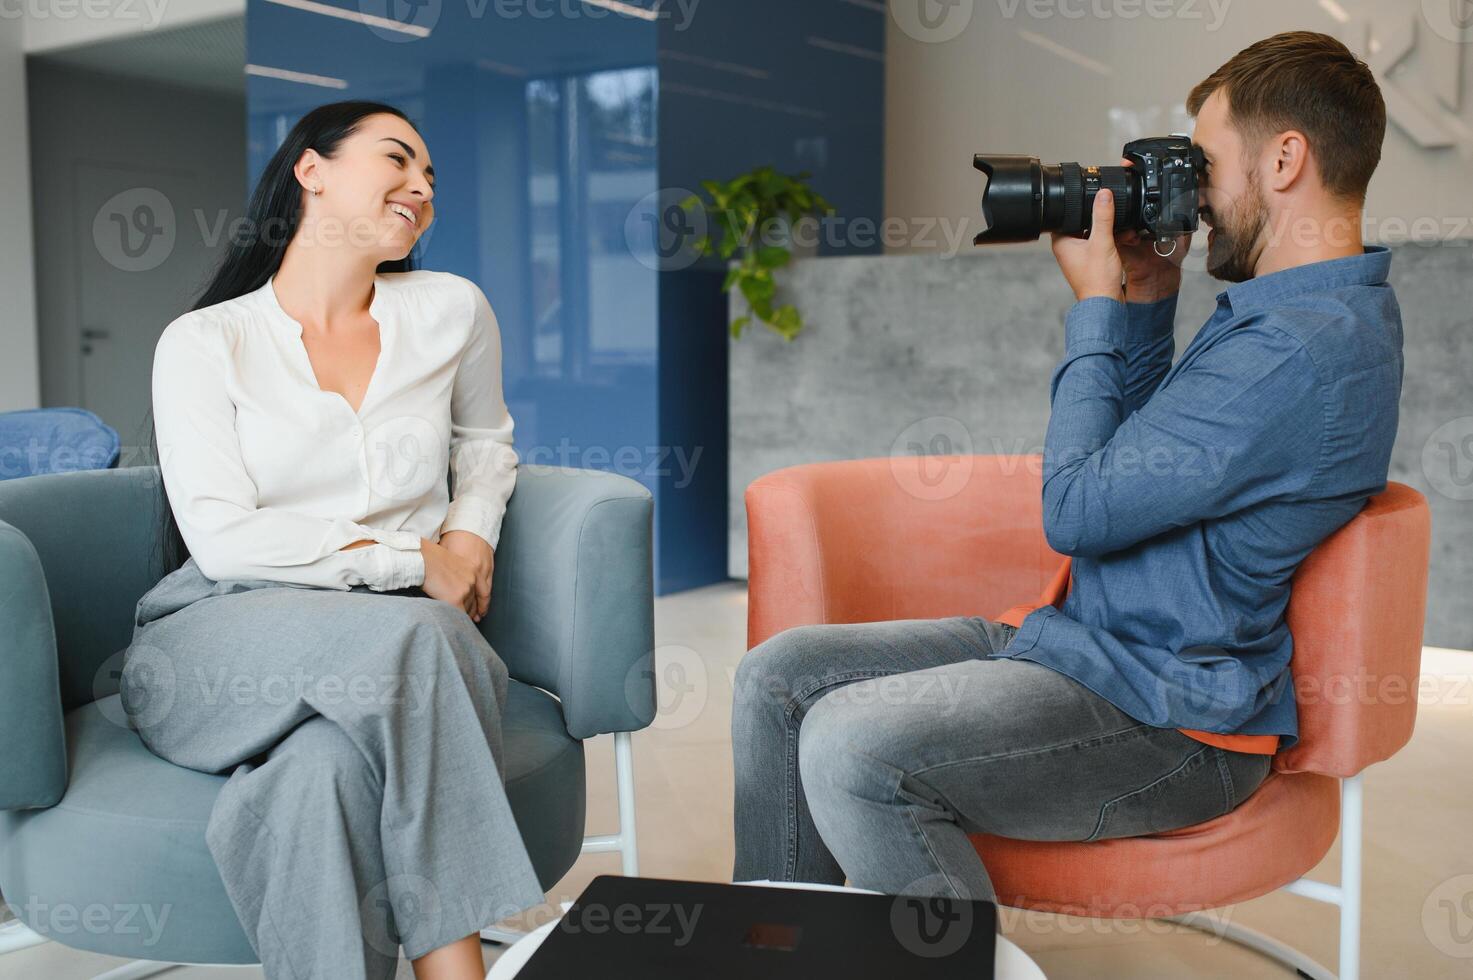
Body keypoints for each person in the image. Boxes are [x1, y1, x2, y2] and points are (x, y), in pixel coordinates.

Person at [731, 31, 1402, 902]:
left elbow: (1078, 509)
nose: (1191, 198)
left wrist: (1093, 308)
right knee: (775, 679)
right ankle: (783, 945)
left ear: (1284, 159)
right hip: (1087, 649)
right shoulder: (1291, 319)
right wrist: (1145, 307)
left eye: (1204, 164)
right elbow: (1143, 470)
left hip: (1168, 720)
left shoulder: (1300, 348)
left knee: (851, 745)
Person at [122, 101, 542, 979]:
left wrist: (468, 539)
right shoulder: (205, 342)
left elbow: (485, 443)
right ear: (310, 170)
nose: (421, 187)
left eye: (431, 178)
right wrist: (413, 561)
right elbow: (226, 540)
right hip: (217, 643)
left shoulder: (450, 309)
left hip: (390, 651)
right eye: (398, 159)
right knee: (426, 634)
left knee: (322, 781)